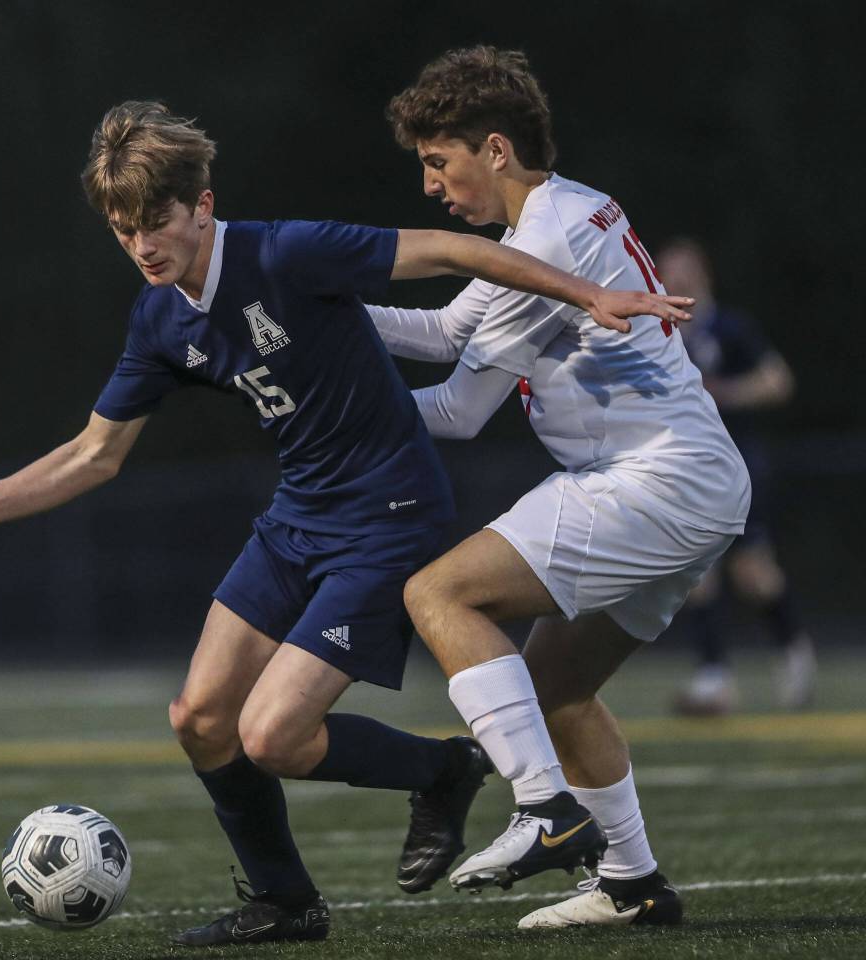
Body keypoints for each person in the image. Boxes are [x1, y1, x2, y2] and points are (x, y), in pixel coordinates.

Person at [0, 101, 689, 947]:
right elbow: (93, 455)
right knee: (199, 719)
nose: (145, 246)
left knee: (271, 736)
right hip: (297, 519)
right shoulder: (158, 318)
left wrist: (591, 293)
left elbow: (451, 249)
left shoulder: (285, 251)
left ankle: (445, 768)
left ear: (203, 205)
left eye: (158, 222)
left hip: (388, 516)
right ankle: (285, 901)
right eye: (125, 231)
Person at [365, 46, 750, 931]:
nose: (430, 187)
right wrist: (316, 313)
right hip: (691, 480)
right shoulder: (555, 217)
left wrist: (321, 404)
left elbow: (459, 408)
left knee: (439, 594)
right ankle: (634, 883)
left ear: (494, 150)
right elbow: (443, 327)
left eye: (438, 161)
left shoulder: (548, 236)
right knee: (554, 687)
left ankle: (545, 808)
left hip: (652, 479)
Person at [657, 238, 815, 715]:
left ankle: (793, 651)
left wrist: (723, 392)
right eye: (668, 271)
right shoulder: (658, 330)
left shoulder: (729, 327)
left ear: (703, 273)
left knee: (754, 575)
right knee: (695, 574)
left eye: (683, 269)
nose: (675, 278)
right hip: (684, 468)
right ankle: (714, 679)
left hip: (737, 466)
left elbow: (777, 380)